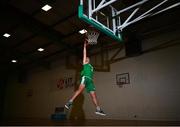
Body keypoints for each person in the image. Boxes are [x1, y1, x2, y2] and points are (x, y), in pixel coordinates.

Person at [65, 40, 106, 116]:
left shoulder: (90, 66)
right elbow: (84, 53)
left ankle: (98, 109)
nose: (87, 58)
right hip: (85, 78)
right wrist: (84, 46)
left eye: (87, 58)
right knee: (80, 90)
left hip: (90, 81)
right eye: (86, 58)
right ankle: (70, 102)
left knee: (94, 96)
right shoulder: (85, 63)